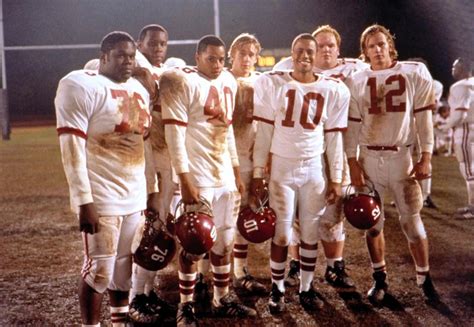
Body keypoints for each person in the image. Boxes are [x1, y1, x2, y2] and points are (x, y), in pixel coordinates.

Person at [55, 31, 158, 326]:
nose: (127, 61)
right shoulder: (80, 84)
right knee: (99, 270)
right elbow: (71, 148)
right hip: (101, 196)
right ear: (104, 57)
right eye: (120, 56)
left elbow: (143, 145)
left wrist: (151, 190)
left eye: (131, 56)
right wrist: (83, 201)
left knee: (124, 268)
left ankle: (119, 321)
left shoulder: (138, 89)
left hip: (133, 194)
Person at [160, 35, 256, 326]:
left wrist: (237, 173)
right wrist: (185, 180)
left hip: (224, 175)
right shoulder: (181, 81)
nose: (217, 64)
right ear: (197, 56)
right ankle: (186, 305)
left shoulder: (228, 80)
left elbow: (226, 132)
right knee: (193, 244)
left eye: (221, 59)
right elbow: (174, 138)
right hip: (198, 177)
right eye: (210, 58)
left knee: (225, 242)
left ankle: (221, 296)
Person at [252, 33, 349, 313]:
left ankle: (306, 288)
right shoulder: (274, 83)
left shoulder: (332, 89)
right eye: (299, 51)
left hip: (314, 169)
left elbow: (334, 139)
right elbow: (265, 133)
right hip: (282, 167)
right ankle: (277, 288)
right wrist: (259, 173)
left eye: (310, 51)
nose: (305, 56)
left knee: (309, 232)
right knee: (282, 233)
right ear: (292, 54)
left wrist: (338, 178)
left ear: (317, 55)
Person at [345, 24, 439, 305]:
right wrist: (352, 161)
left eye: (381, 44)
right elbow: (352, 127)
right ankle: (379, 278)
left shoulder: (414, 72)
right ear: (364, 51)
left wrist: (426, 156)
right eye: (371, 46)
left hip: (402, 158)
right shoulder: (357, 79)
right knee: (372, 224)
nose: (377, 50)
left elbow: (423, 120)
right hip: (370, 158)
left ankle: (424, 278)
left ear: (390, 46)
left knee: (412, 221)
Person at [274, 24, 367, 289]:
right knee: (296, 213)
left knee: (333, 212)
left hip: (336, 147)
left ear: (339, 49)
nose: (325, 50)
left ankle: (335, 265)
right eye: (320, 45)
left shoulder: (355, 69)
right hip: (301, 150)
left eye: (330, 45)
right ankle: (295, 263)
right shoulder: (286, 68)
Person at [126, 24, 178, 324]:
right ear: (139, 44)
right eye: (152, 43)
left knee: (160, 229)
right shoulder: (134, 65)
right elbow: (95, 66)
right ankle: (136, 297)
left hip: (165, 158)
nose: (158, 48)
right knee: (149, 230)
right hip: (145, 160)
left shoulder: (168, 69)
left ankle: (147, 292)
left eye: (163, 43)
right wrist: (134, 68)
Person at [224, 33, 268, 295]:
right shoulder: (221, 78)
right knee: (222, 221)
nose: (247, 59)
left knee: (244, 216)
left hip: (251, 157)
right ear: (232, 54)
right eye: (242, 53)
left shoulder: (262, 82)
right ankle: (209, 279)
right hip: (222, 158)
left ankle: (240, 272)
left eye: (252, 54)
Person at [407, 57, 444, 209]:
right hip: (407, 124)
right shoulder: (405, 80)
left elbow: (433, 105)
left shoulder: (434, 84)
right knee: (403, 160)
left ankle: (425, 195)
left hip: (422, 123)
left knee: (425, 159)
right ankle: (406, 194)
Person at [442, 57, 474, 219]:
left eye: (455, 66)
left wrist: (445, 126)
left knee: (469, 170)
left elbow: (460, 114)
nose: (452, 69)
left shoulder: (461, 86)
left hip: (466, 130)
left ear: (462, 68)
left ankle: (473, 208)